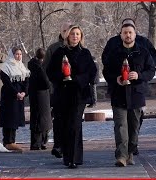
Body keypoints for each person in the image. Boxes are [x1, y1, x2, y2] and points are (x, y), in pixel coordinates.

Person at [102, 18, 156, 156]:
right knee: (121, 125)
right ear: (120, 33)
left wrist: (139, 75)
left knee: (134, 125)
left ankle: (132, 149)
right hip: (118, 92)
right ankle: (122, 155)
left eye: (130, 32)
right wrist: (115, 78)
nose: (128, 35)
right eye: (125, 32)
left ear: (135, 33)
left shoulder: (144, 48)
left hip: (136, 92)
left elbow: (152, 67)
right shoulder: (113, 47)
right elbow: (106, 67)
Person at [47, 25, 97, 169]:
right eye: (72, 34)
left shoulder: (85, 53)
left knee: (75, 124)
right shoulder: (59, 52)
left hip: (79, 94)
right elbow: (50, 72)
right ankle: (67, 156)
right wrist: (62, 77)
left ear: (81, 37)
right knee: (64, 124)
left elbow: (92, 73)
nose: (75, 36)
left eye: (77, 34)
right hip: (63, 93)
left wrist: (77, 79)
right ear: (67, 36)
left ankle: (74, 158)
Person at [44, 22, 72, 158]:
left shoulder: (78, 48)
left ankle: (69, 146)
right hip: (57, 89)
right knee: (58, 118)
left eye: (70, 30)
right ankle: (58, 145)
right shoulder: (54, 48)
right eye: (65, 30)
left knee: (71, 119)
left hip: (73, 90)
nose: (67, 33)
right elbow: (45, 69)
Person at [0, 47, 30, 151]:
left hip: (19, 96)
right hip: (10, 96)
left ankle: (13, 140)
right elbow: (6, 82)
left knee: (16, 118)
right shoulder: (5, 66)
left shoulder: (22, 66)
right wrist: (16, 93)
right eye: (17, 54)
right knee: (9, 118)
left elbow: (26, 80)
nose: (19, 56)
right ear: (12, 55)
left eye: (20, 54)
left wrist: (24, 92)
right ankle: (7, 141)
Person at [28, 48, 52, 150]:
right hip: (42, 95)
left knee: (36, 117)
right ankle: (41, 142)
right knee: (43, 119)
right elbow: (46, 81)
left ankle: (36, 142)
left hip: (35, 94)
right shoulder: (40, 67)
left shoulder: (32, 66)